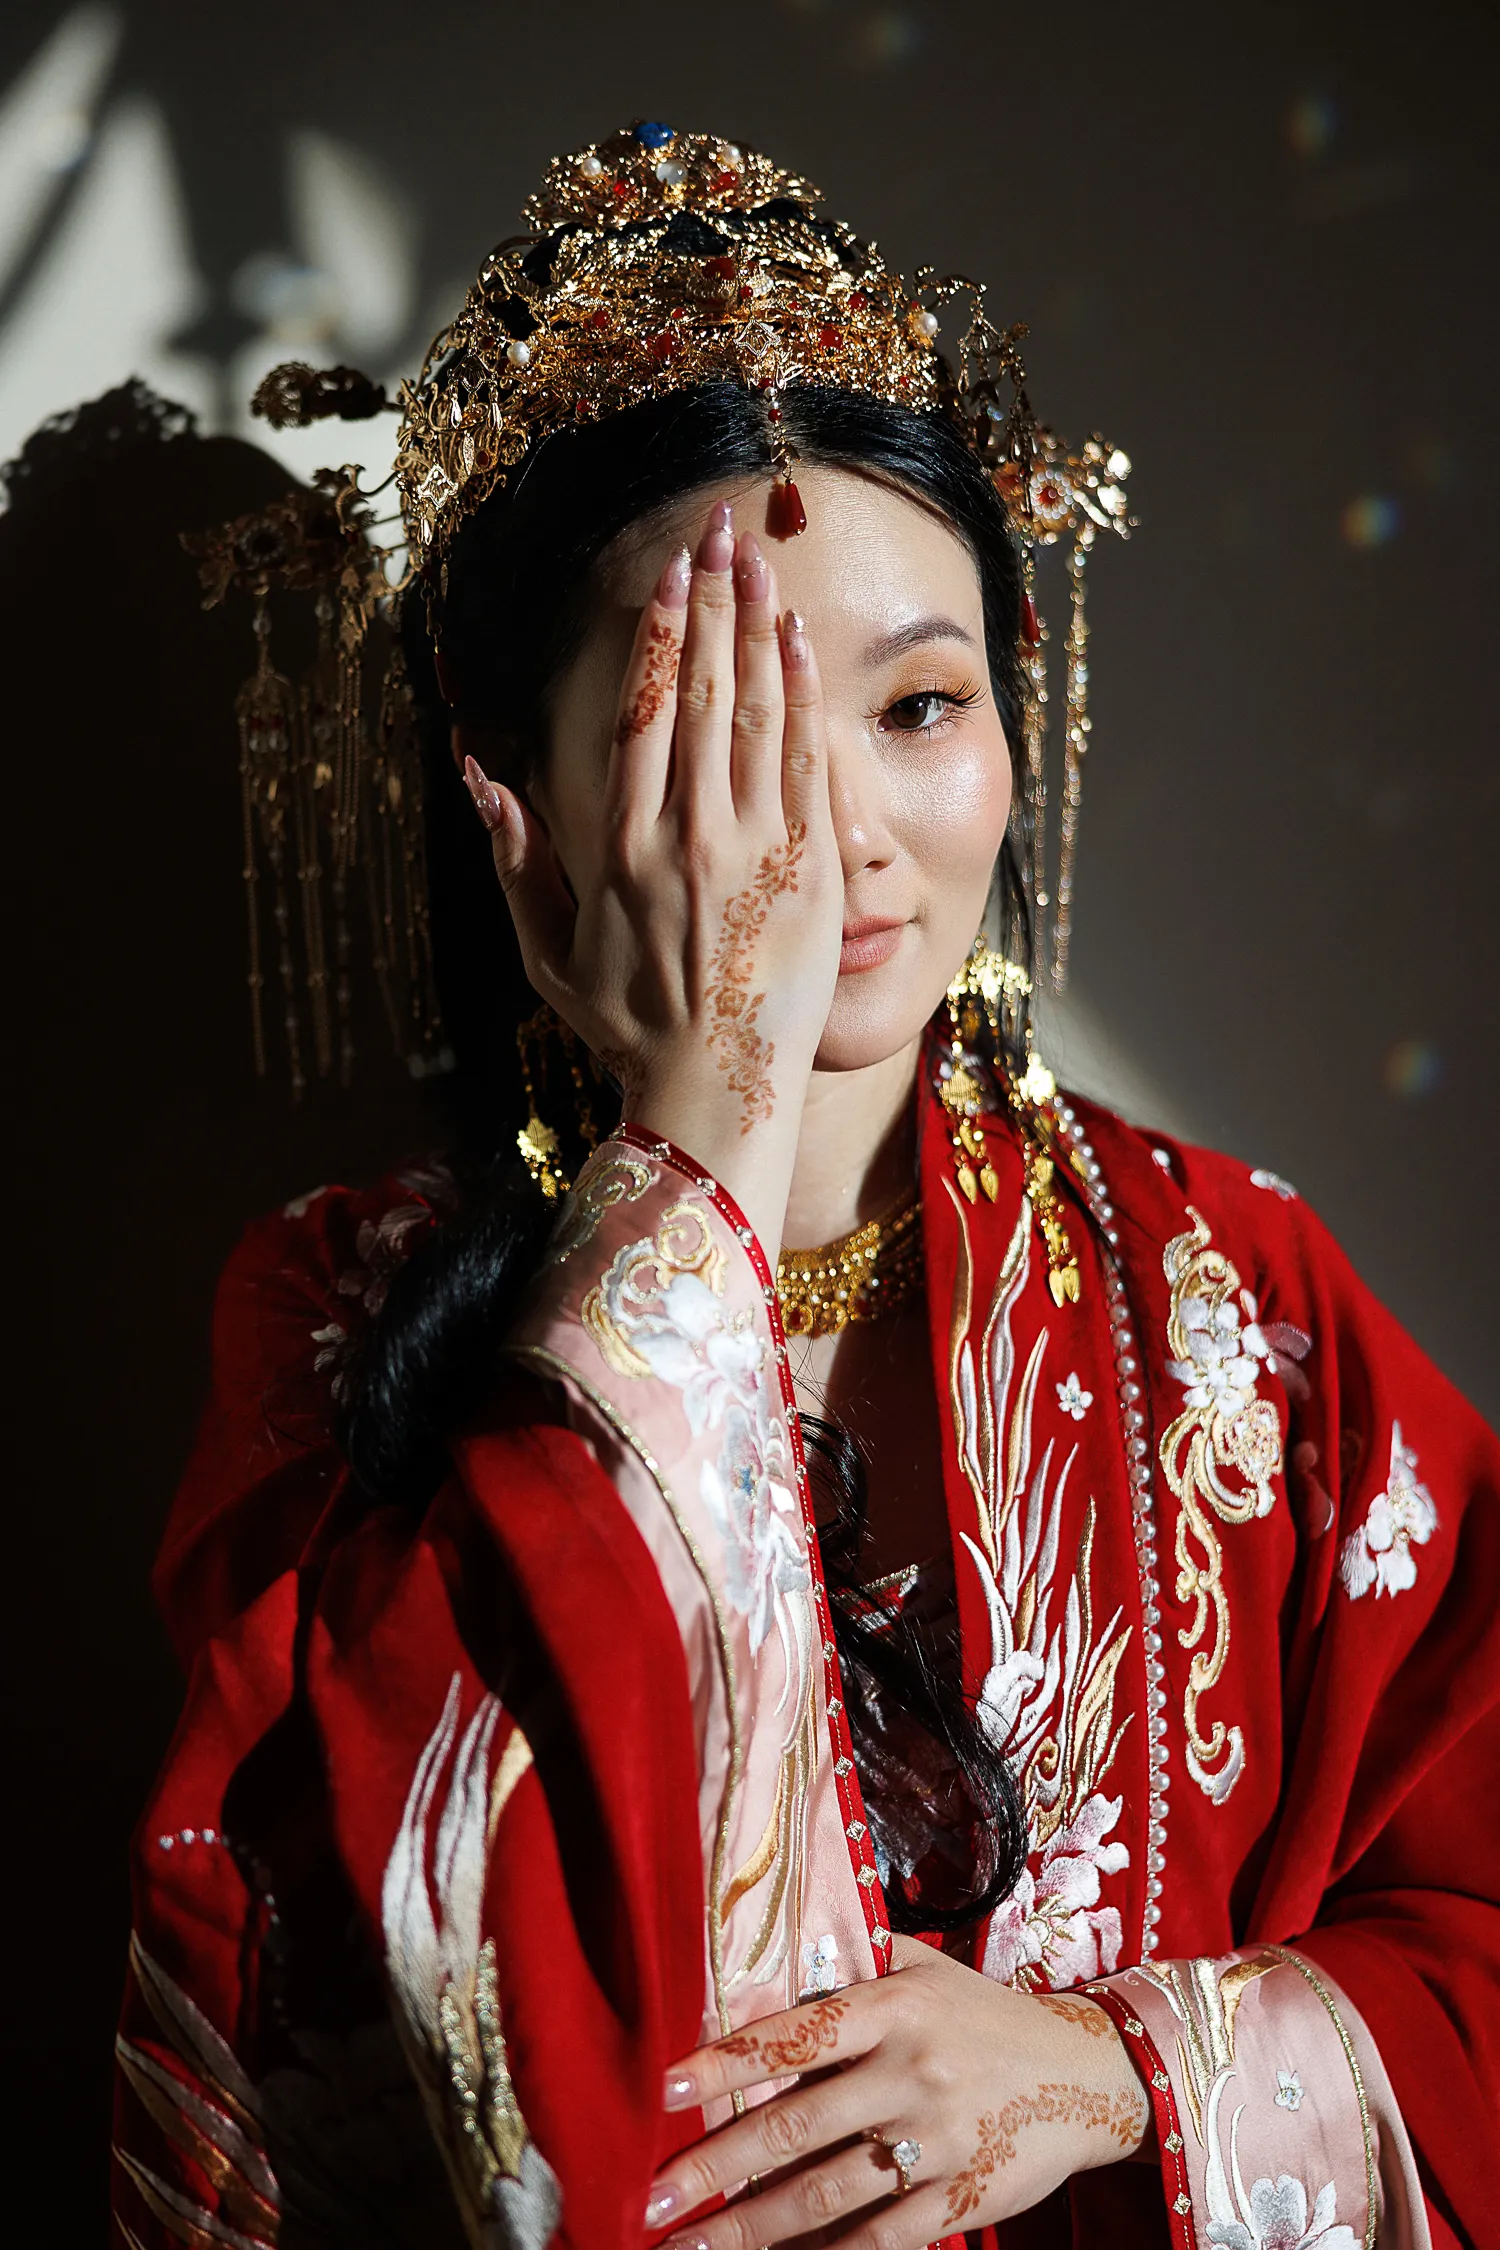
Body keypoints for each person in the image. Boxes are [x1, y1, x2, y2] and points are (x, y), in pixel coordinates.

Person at [112, 125, 1498, 2250]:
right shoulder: (338, 1315)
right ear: (515, 800)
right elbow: (459, 2011)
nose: (835, 830)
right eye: (718, 737)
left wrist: (1123, 2067)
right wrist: (708, 1126)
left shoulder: (1236, 1295)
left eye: (919, 705)